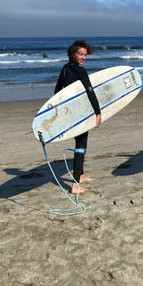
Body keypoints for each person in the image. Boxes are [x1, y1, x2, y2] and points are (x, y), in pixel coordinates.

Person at [55, 40, 102, 193]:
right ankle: (75, 185)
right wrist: (98, 112)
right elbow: (90, 91)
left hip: (70, 111)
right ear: (72, 54)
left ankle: (80, 175)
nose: (83, 57)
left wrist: (59, 110)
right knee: (81, 145)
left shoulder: (64, 69)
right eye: (80, 54)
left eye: (85, 55)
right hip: (79, 112)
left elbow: (57, 91)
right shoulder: (80, 71)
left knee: (80, 141)